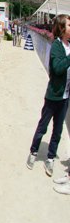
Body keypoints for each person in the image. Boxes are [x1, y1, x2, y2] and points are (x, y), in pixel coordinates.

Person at [26, 14, 70, 177]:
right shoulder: (57, 46)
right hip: (53, 96)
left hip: (65, 97)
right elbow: (57, 68)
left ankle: (50, 158)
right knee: (43, 126)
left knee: (57, 130)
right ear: (62, 28)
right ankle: (33, 151)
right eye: (69, 25)